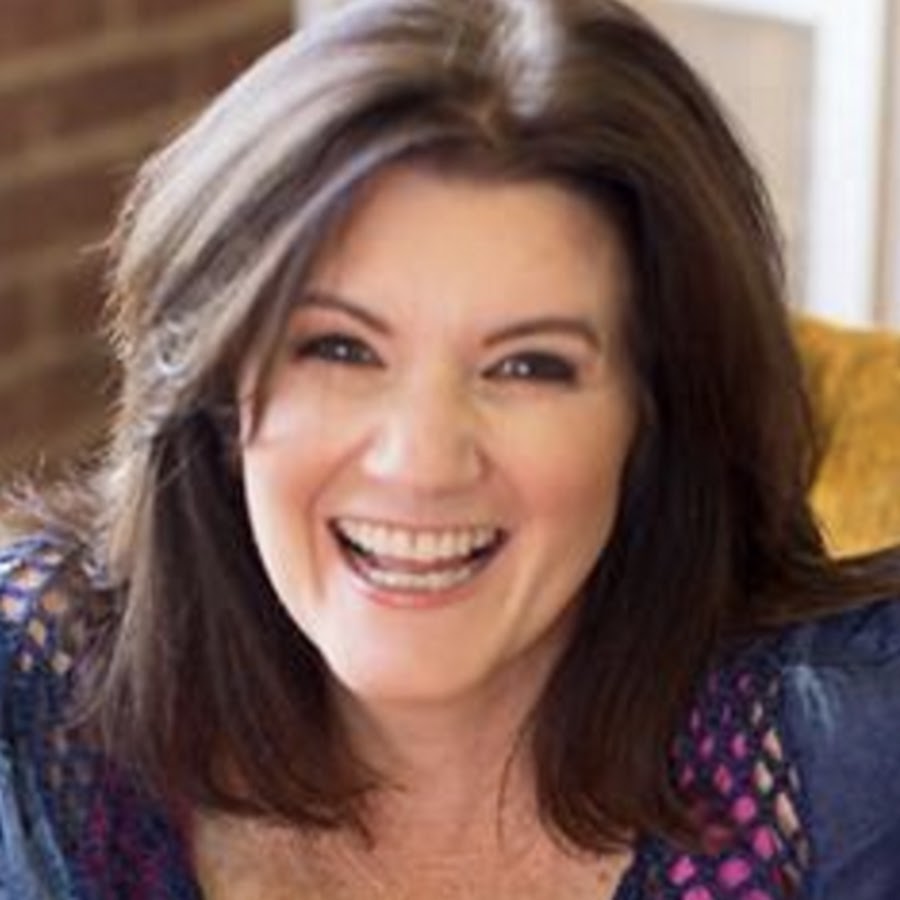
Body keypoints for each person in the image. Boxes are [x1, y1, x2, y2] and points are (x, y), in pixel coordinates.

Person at [1, 0, 899, 897]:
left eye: (528, 366)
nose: (420, 463)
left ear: (656, 417)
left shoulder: (859, 770)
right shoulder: (33, 722)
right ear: (217, 389)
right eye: (341, 349)